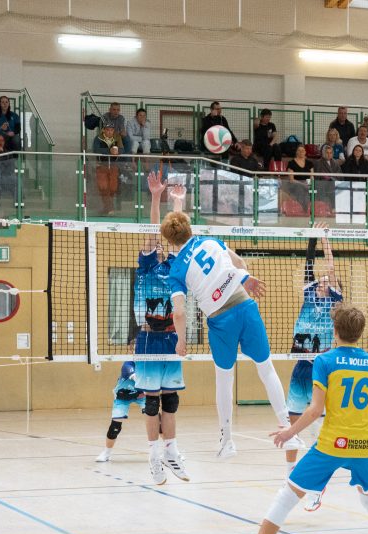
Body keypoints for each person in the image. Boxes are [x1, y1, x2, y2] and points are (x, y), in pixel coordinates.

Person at [226, 305, 368, 534]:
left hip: (331, 445)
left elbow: (314, 410)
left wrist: (289, 432)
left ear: (335, 332)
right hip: (363, 446)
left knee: (286, 497)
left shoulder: (325, 361)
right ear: (360, 333)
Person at [161, 210, 303, 460]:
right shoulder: (210, 241)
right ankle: (288, 430)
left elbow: (180, 312)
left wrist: (181, 341)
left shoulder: (176, 270)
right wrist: (243, 280)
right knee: (266, 368)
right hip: (245, 306)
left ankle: (227, 441)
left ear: (170, 241)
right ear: (190, 229)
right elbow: (238, 262)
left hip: (220, 321)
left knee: (224, 379)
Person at [97, 225, 189, 483]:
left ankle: (171, 452)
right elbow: (152, 233)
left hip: (171, 338)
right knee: (151, 402)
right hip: (148, 339)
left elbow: (178, 237)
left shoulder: (174, 268)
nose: (158, 246)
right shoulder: (146, 267)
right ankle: (154, 457)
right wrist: (156, 202)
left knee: (171, 401)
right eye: (154, 245)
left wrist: (178, 208)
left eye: (161, 244)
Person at [285, 235, 343, 479]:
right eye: (320, 280)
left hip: (322, 366)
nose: (322, 282)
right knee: (292, 416)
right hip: (302, 363)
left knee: (320, 420)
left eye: (326, 281)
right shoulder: (309, 295)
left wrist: (325, 240)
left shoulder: (335, 302)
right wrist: (311, 240)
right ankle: (289, 471)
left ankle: (321, 468)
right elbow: (309, 266)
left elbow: (330, 267)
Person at [92, 124, 123, 216]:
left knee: (113, 188)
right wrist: (109, 151)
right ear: (104, 130)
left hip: (113, 166)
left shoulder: (117, 138)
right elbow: (96, 150)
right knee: (103, 187)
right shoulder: (98, 138)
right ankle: (110, 208)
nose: (109, 132)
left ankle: (107, 208)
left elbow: (123, 150)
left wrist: (117, 151)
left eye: (111, 130)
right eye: (108, 130)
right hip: (101, 165)